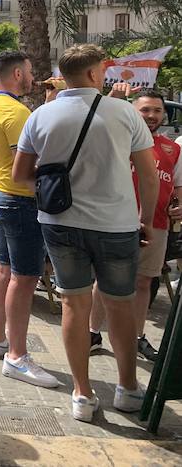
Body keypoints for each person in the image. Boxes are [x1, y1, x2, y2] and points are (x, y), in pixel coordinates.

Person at [13, 44, 158, 423]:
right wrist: (145, 218)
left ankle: (82, 393)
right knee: (119, 305)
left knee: (73, 306)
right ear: (96, 74)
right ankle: (127, 388)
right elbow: (146, 173)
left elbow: (20, 176)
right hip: (116, 225)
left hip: (60, 224)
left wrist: (56, 189)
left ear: (64, 74)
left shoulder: (41, 115)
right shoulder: (124, 112)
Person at [0, 51, 59, 388]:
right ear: (16, 73)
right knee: (25, 279)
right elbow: (27, 162)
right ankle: (16, 355)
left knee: (4, 270)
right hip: (22, 200)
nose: (33, 78)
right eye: (28, 72)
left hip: (2, 196)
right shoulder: (16, 112)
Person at [89, 87, 182, 361]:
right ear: (132, 111)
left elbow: (177, 187)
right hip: (117, 222)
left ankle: (138, 336)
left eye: (157, 110)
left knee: (144, 282)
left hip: (158, 225)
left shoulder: (172, 148)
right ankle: (93, 332)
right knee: (104, 280)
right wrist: (114, 99)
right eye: (145, 109)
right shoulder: (118, 139)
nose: (151, 115)